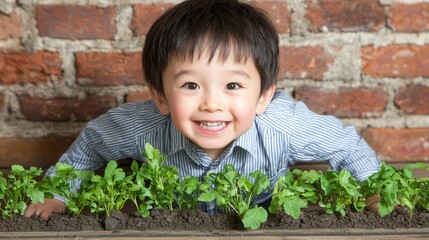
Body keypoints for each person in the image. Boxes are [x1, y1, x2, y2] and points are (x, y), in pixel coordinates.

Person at [25, 0, 382, 220]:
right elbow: (93, 142)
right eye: (191, 85)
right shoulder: (144, 126)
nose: (212, 103)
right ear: (161, 97)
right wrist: (58, 195)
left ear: (263, 97)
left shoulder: (283, 125)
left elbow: (346, 145)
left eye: (233, 86)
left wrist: (374, 191)